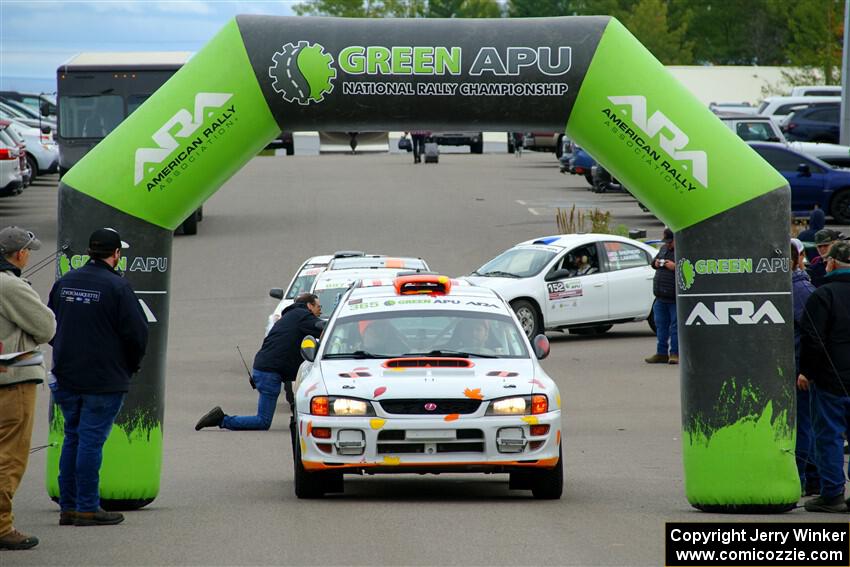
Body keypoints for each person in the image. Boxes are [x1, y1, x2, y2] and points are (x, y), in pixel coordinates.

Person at [48, 228, 149, 527]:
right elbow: (137, 335)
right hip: (103, 378)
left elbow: (50, 325)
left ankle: (68, 506)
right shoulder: (118, 288)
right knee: (91, 441)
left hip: (66, 375)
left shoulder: (65, 282)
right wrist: (130, 366)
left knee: (73, 438)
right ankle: (88, 507)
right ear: (115, 254)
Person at [0, 227, 55, 550]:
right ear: (19, 254)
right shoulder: (10, 286)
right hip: (14, 378)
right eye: (28, 250)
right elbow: (46, 327)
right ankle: (2, 525)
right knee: (10, 455)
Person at [196, 293, 324, 431]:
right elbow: (322, 328)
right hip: (269, 372)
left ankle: (299, 420)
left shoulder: (291, 316)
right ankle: (222, 420)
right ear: (309, 306)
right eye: (318, 306)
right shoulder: (302, 316)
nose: (320, 310)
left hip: (264, 367)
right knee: (263, 421)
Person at [798, 240, 850, 513]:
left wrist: (806, 371)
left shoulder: (823, 295)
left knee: (828, 435)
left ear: (831, 263)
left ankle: (832, 493)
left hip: (831, 379)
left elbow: (813, 339)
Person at [790, 240, 819, 496]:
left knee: (804, 426)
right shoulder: (794, 288)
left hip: (800, 371)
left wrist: (807, 370)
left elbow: (814, 335)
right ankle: (809, 477)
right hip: (794, 368)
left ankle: (806, 478)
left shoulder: (800, 290)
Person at [645, 228, 678, 365]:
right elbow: (654, 261)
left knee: (675, 328)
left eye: (670, 242)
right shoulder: (664, 249)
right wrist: (656, 263)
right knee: (661, 327)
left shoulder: (683, 250)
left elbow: (691, 267)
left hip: (674, 298)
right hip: (660, 297)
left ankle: (675, 354)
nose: (668, 244)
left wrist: (676, 267)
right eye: (666, 242)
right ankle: (661, 353)